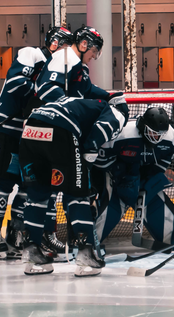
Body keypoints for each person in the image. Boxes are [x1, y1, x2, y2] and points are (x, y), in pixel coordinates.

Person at [0, 26, 73, 260]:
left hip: (32, 133)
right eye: (65, 46)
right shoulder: (32, 54)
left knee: (28, 184)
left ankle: (17, 233)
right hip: (8, 129)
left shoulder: (59, 71)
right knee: (4, 181)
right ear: (55, 43)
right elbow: (15, 83)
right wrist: (44, 93)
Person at [18, 95, 129, 276]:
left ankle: (31, 250)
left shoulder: (80, 104)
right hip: (61, 130)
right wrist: (87, 157)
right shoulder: (116, 110)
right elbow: (101, 130)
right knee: (77, 195)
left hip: (31, 129)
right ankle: (86, 253)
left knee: (37, 194)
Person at [92, 107, 174, 251]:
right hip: (116, 172)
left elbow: (161, 164)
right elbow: (99, 160)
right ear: (142, 126)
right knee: (111, 204)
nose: (156, 139)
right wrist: (120, 173)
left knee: (151, 196)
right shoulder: (122, 134)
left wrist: (145, 179)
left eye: (160, 135)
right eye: (153, 134)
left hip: (144, 170)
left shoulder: (170, 138)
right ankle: (87, 240)